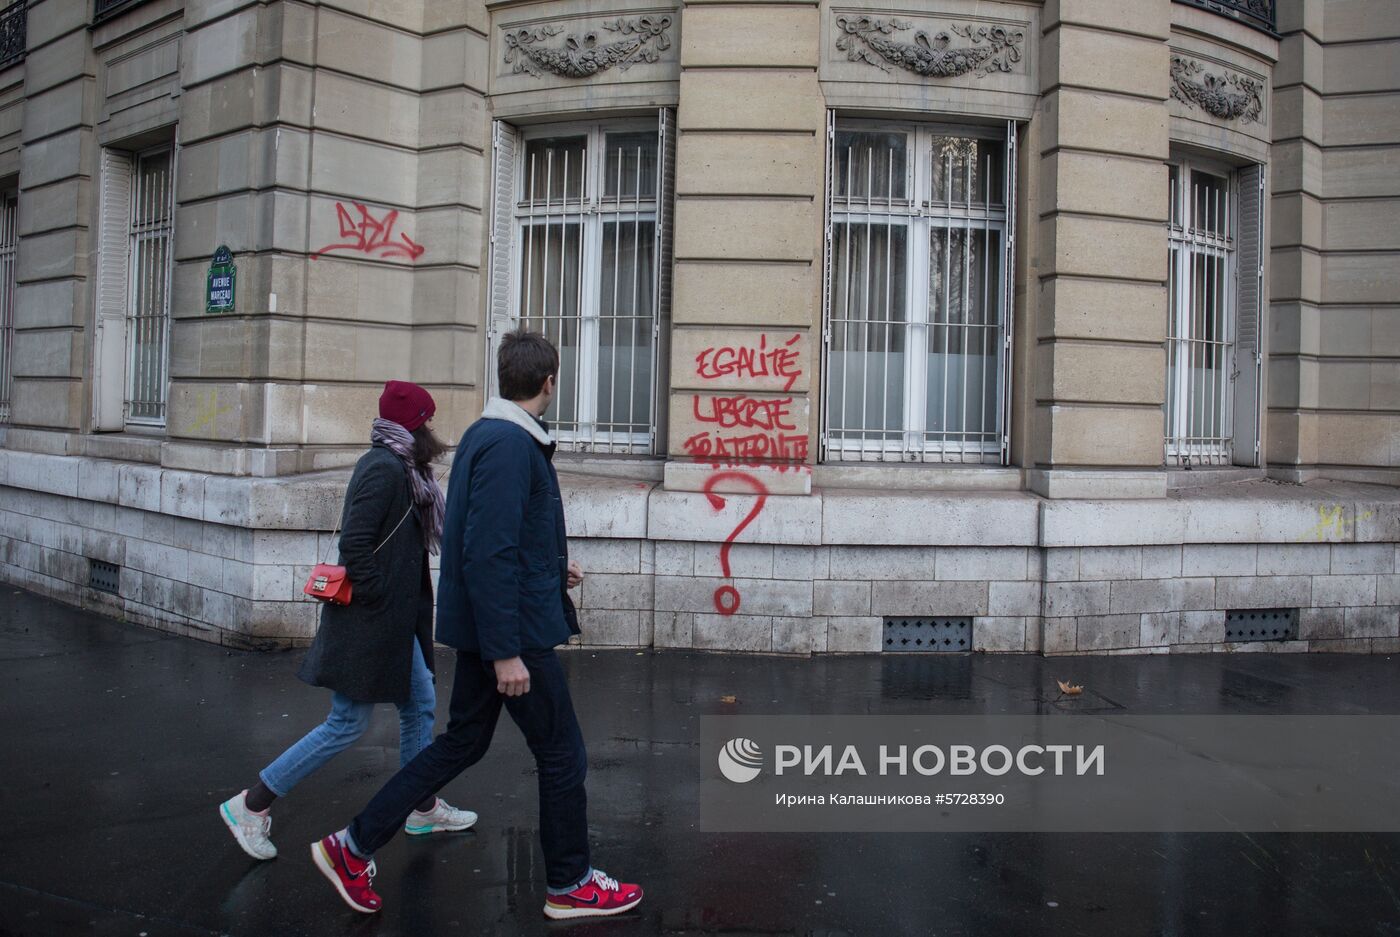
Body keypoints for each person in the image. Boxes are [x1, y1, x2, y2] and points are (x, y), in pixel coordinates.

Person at [309, 330, 643, 921]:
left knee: (462, 742)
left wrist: (547, 567)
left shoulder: (488, 438)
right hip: (512, 636)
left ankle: (351, 846)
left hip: (497, 624)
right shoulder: (511, 445)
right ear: (549, 382)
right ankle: (570, 883)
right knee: (564, 756)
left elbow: (485, 539)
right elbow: (487, 552)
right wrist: (505, 652)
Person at [218, 380, 476, 860]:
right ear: (411, 425)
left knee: (419, 706)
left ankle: (420, 805)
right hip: (370, 626)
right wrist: (381, 601)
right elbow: (355, 545)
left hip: (396, 627)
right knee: (346, 724)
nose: (432, 431)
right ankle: (252, 805)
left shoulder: (405, 469)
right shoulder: (382, 468)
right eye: (427, 422)